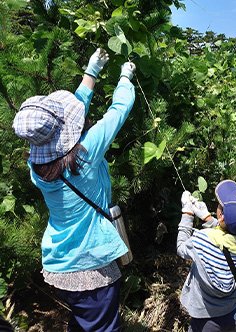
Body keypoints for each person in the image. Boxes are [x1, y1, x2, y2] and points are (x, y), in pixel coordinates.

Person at [12, 48, 136, 332]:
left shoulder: (37, 168)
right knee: (103, 327)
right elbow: (118, 112)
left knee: (83, 323)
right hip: (89, 268)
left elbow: (68, 119)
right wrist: (125, 78)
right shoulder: (86, 154)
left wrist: (92, 72)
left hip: (59, 264)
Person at [177, 180, 236, 332]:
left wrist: (187, 214)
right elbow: (228, 239)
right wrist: (208, 219)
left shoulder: (202, 241)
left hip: (207, 321)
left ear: (222, 216)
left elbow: (181, 248)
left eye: (220, 205)